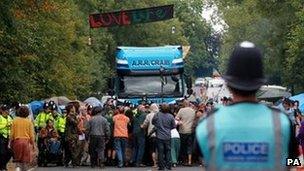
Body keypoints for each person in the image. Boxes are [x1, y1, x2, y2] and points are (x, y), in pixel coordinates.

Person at [196, 41, 299, 170]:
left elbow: (204, 161)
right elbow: (294, 162)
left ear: (227, 83)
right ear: (260, 84)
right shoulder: (282, 122)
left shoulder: (207, 124)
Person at [9, 106, 35, 171]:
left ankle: (17, 169)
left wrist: (9, 142)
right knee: (24, 162)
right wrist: (33, 143)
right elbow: (31, 135)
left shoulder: (15, 121)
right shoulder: (29, 122)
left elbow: (12, 133)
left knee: (17, 160)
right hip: (26, 142)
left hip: (17, 142)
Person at [152, 104, 176, 170]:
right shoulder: (171, 116)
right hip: (168, 136)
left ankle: (161, 166)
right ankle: (168, 166)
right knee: (168, 151)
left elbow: (153, 122)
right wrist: (168, 129)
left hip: (159, 136)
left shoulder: (157, 115)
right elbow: (174, 126)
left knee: (160, 152)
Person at [175, 100, 196, 166]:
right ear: (189, 104)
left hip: (182, 131)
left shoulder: (181, 110)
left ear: (184, 104)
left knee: (183, 146)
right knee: (189, 146)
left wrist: (180, 120)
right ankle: (189, 161)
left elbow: (176, 118)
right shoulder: (193, 110)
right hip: (190, 131)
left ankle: (184, 161)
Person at [141, 103, 159, 167]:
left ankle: (155, 163)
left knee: (153, 149)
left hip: (152, 134)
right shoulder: (160, 114)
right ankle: (159, 161)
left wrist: (142, 126)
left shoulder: (149, 115)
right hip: (160, 134)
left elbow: (145, 125)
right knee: (158, 149)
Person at [0, 105, 13, 171]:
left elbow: (12, 125)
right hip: (1, 137)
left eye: (7, 110)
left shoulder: (10, 117)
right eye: (5, 110)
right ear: (1, 111)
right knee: (2, 152)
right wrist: (6, 125)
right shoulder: (0, 117)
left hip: (9, 137)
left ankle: (3, 165)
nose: (6, 111)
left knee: (10, 152)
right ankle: (3, 167)